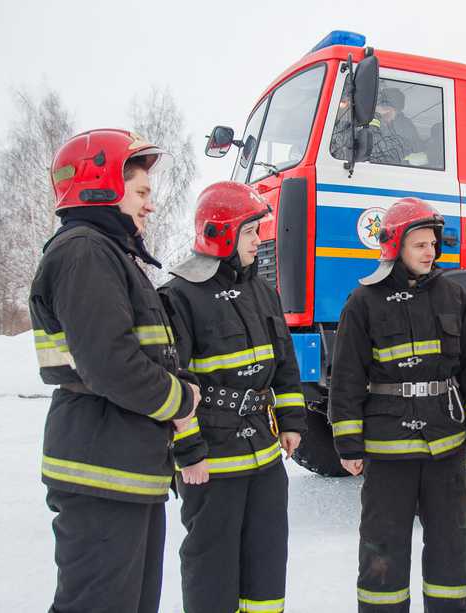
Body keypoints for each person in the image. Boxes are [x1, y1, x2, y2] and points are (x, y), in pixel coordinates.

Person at [29, 129, 201, 613]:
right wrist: (182, 400)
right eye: (142, 192)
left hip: (127, 472)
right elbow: (111, 364)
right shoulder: (84, 252)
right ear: (102, 185)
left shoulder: (110, 255)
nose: (150, 205)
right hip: (101, 474)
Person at [328, 197, 466, 612]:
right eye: (419, 244)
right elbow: (346, 375)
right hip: (388, 449)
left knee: (450, 546)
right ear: (395, 246)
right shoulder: (363, 302)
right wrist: (348, 443)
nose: (429, 252)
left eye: (432, 244)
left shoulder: (453, 296)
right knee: (382, 548)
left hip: (445, 443)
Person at [159, 181, 307, 613]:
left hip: (263, 454)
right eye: (249, 232)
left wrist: (294, 422)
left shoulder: (262, 290)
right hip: (212, 461)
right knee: (211, 566)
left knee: (265, 562)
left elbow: (284, 362)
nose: (258, 240)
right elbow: (173, 380)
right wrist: (187, 451)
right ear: (221, 233)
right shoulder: (178, 296)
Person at [369, 87, 422, 165]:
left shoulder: (406, 126)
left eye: (396, 111)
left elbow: (415, 148)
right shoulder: (369, 118)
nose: (393, 116)